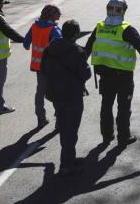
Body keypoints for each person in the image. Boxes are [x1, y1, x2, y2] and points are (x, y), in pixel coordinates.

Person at [84, 0, 140, 146]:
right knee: (123, 108)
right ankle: (123, 137)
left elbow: (86, 50)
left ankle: (107, 135)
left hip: (104, 74)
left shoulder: (99, 27)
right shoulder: (126, 29)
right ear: (123, 11)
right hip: (123, 76)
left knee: (106, 106)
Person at [42, 19, 91, 177]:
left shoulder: (50, 47)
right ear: (76, 34)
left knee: (64, 127)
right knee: (71, 130)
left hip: (55, 93)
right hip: (72, 95)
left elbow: (43, 68)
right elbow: (85, 74)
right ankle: (66, 165)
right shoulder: (77, 51)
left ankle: (69, 158)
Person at [24, 4, 63, 127]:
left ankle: (41, 118)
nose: (60, 15)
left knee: (40, 92)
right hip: (52, 67)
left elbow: (26, 43)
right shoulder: (54, 30)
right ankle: (59, 119)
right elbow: (62, 48)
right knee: (56, 93)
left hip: (38, 66)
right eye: (58, 13)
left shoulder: (34, 26)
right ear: (52, 15)